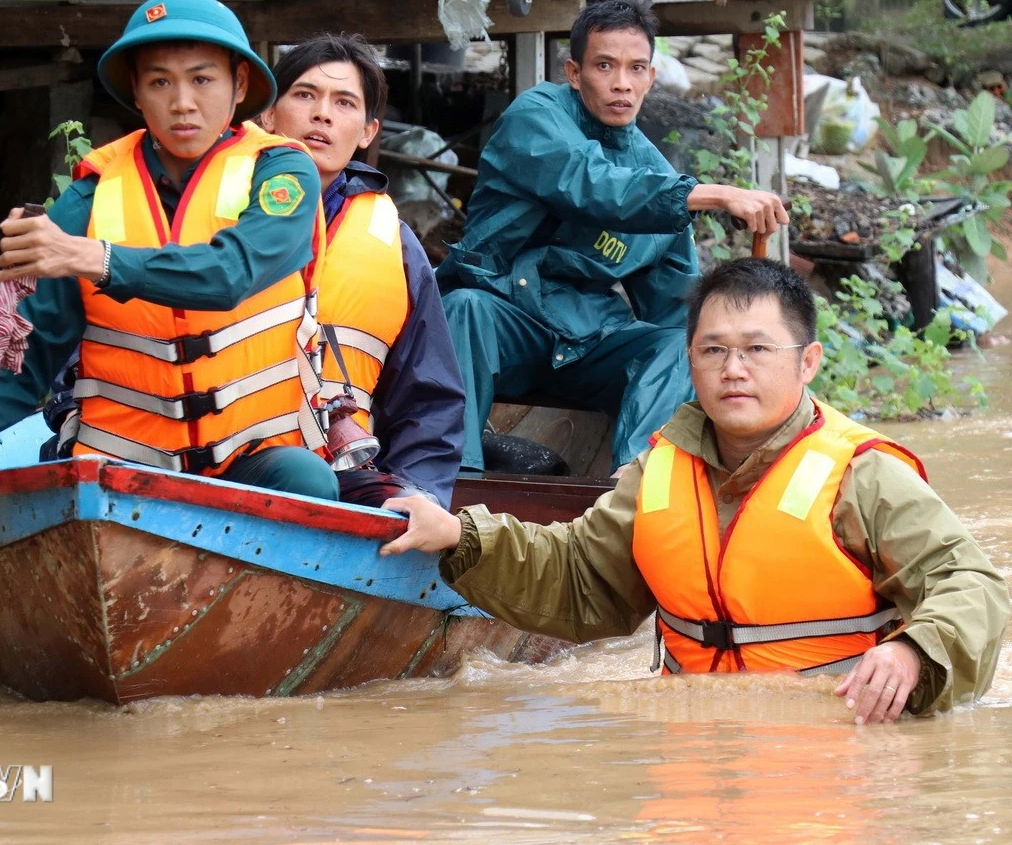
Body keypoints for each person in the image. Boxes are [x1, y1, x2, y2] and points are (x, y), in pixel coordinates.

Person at [381, 258, 1011, 724]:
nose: (733, 369)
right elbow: (578, 575)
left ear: (808, 361)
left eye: (757, 349)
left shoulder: (863, 473)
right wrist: (458, 534)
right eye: (714, 351)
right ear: (690, 360)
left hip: (839, 738)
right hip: (695, 744)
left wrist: (913, 653)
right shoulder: (657, 471)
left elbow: (971, 585)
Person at [0, 0, 340, 554]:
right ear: (136, 91)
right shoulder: (86, 201)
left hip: (251, 457)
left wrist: (93, 258)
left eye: (202, 80)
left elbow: (230, 274)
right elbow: (16, 358)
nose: (182, 103)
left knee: (309, 481)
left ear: (239, 85)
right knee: (73, 491)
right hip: (123, 469)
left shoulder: (282, 173)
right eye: (160, 82)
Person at [44, 35, 467, 507]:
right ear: (266, 113)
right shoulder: (182, 201)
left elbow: (427, 398)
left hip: (329, 473)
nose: (322, 114)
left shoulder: (394, 244)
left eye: (344, 103)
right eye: (304, 95)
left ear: (368, 131)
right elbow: (76, 348)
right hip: (152, 456)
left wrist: (421, 494)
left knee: (373, 500)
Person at [436, 0, 790, 475]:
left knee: (677, 347)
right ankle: (447, 478)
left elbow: (676, 310)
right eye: (604, 65)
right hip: (503, 321)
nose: (621, 83)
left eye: (635, 68)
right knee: (463, 307)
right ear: (574, 72)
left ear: (651, 77)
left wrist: (747, 356)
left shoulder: (659, 177)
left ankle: (636, 489)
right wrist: (716, 194)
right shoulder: (535, 118)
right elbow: (591, 184)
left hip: (589, 342)